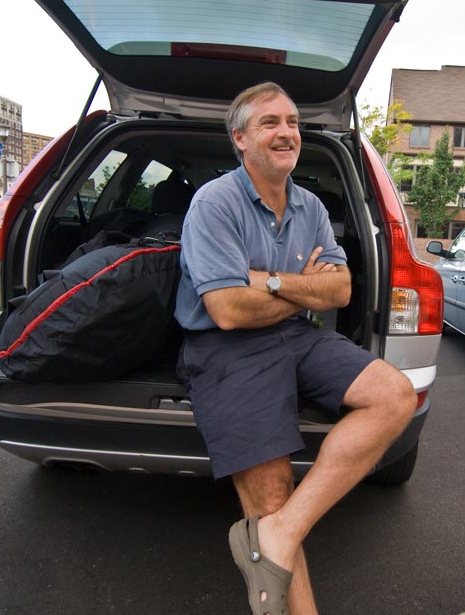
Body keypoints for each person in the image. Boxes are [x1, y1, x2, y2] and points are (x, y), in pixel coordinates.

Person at [174, 82, 417, 615]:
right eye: (269, 123)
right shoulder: (214, 202)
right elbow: (228, 311)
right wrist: (301, 287)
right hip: (225, 347)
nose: (286, 132)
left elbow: (343, 289)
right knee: (271, 491)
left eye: (292, 123)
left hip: (298, 337)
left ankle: (280, 534)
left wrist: (269, 282)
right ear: (240, 138)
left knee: (395, 395)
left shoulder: (309, 205)